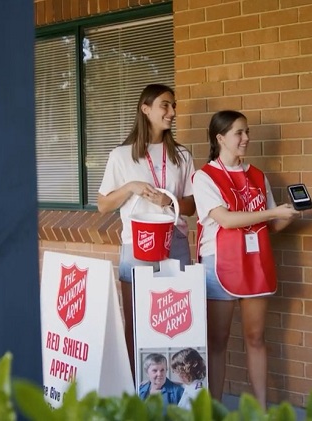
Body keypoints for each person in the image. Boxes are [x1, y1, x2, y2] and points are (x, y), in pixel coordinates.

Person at [192, 110, 300, 408]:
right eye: (239, 132)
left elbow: (273, 226)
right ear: (220, 138)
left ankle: (262, 410)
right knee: (217, 341)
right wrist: (272, 213)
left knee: (256, 337)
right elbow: (225, 220)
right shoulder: (204, 177)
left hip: (254, 262)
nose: (246, 138)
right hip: (219, 265)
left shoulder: (257, 175)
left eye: (247, 132)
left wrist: (289, 215)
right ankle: (212, 409)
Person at [97, 84, 196, 379]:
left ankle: (176, 391)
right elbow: (103, 205)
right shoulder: (121, 156)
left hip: (175, 242)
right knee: (136, 321)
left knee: (177, 321)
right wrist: (128, 188)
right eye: (165, 105)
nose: (172, 112)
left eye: (173, 106)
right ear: (146, 109)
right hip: (137, 244)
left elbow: (192, 206)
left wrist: (171, 201)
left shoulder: (181, 155)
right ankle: (136, 390)